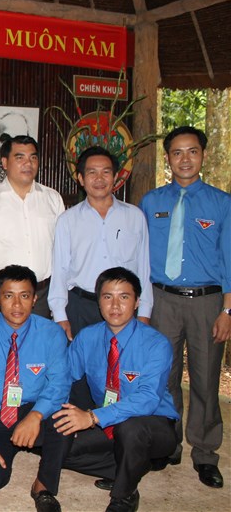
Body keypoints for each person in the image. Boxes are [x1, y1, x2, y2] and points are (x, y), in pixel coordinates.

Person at [140, 125, 230, 489]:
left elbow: (230, 260)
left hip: (207, 302)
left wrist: (228, 311)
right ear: (168, 158)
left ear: (203, 155)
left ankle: (205, 453)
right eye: (177, 152)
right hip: (162, 299)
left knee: (206, 379)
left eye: (192, 151)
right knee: (165, 375)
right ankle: (168, 443)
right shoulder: (151, 202)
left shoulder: (222, 203)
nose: (185, 159)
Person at [54, 267, 179, 512]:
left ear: (137, 302)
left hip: (152, 424)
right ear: (98, 301)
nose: (115, 305)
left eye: (124, 297)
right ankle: (130, 466)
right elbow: (63, 378)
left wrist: (91, 417)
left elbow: (148, 399)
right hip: (107, 422)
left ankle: (123, 495)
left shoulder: (156, 344)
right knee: (55, 446)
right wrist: (59, 414)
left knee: (130, 428)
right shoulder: (87, 338)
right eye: (107, 296)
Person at [0, 265, 69, 512]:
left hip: (34, 410)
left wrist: (36, 415)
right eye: (9, 296)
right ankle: (12, 446)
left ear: (35, 299)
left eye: (25, 295)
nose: (17, 304)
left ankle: (43, 486)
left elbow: (60, 384)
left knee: (65, 420)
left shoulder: (52, 333)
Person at [49, 146, 153, 341]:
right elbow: (60, 271)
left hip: (123, 306)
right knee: (80, 360)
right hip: (80, 306)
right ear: (81, 179)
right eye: (92, 173)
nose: (99, 179)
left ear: (115, 177)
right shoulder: (67, 220)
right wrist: (60, 316)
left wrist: (144, 313)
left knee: (121, 359)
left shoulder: (135, 217)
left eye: (106, 172)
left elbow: (144, 269)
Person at [0, 136, 64, 318]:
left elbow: (62, 251)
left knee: (39, 337)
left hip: (42, 293)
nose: (28, 163)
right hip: (0, 294)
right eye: (20, 157)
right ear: (5, 163)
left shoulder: (52, 199)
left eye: (33, 157)